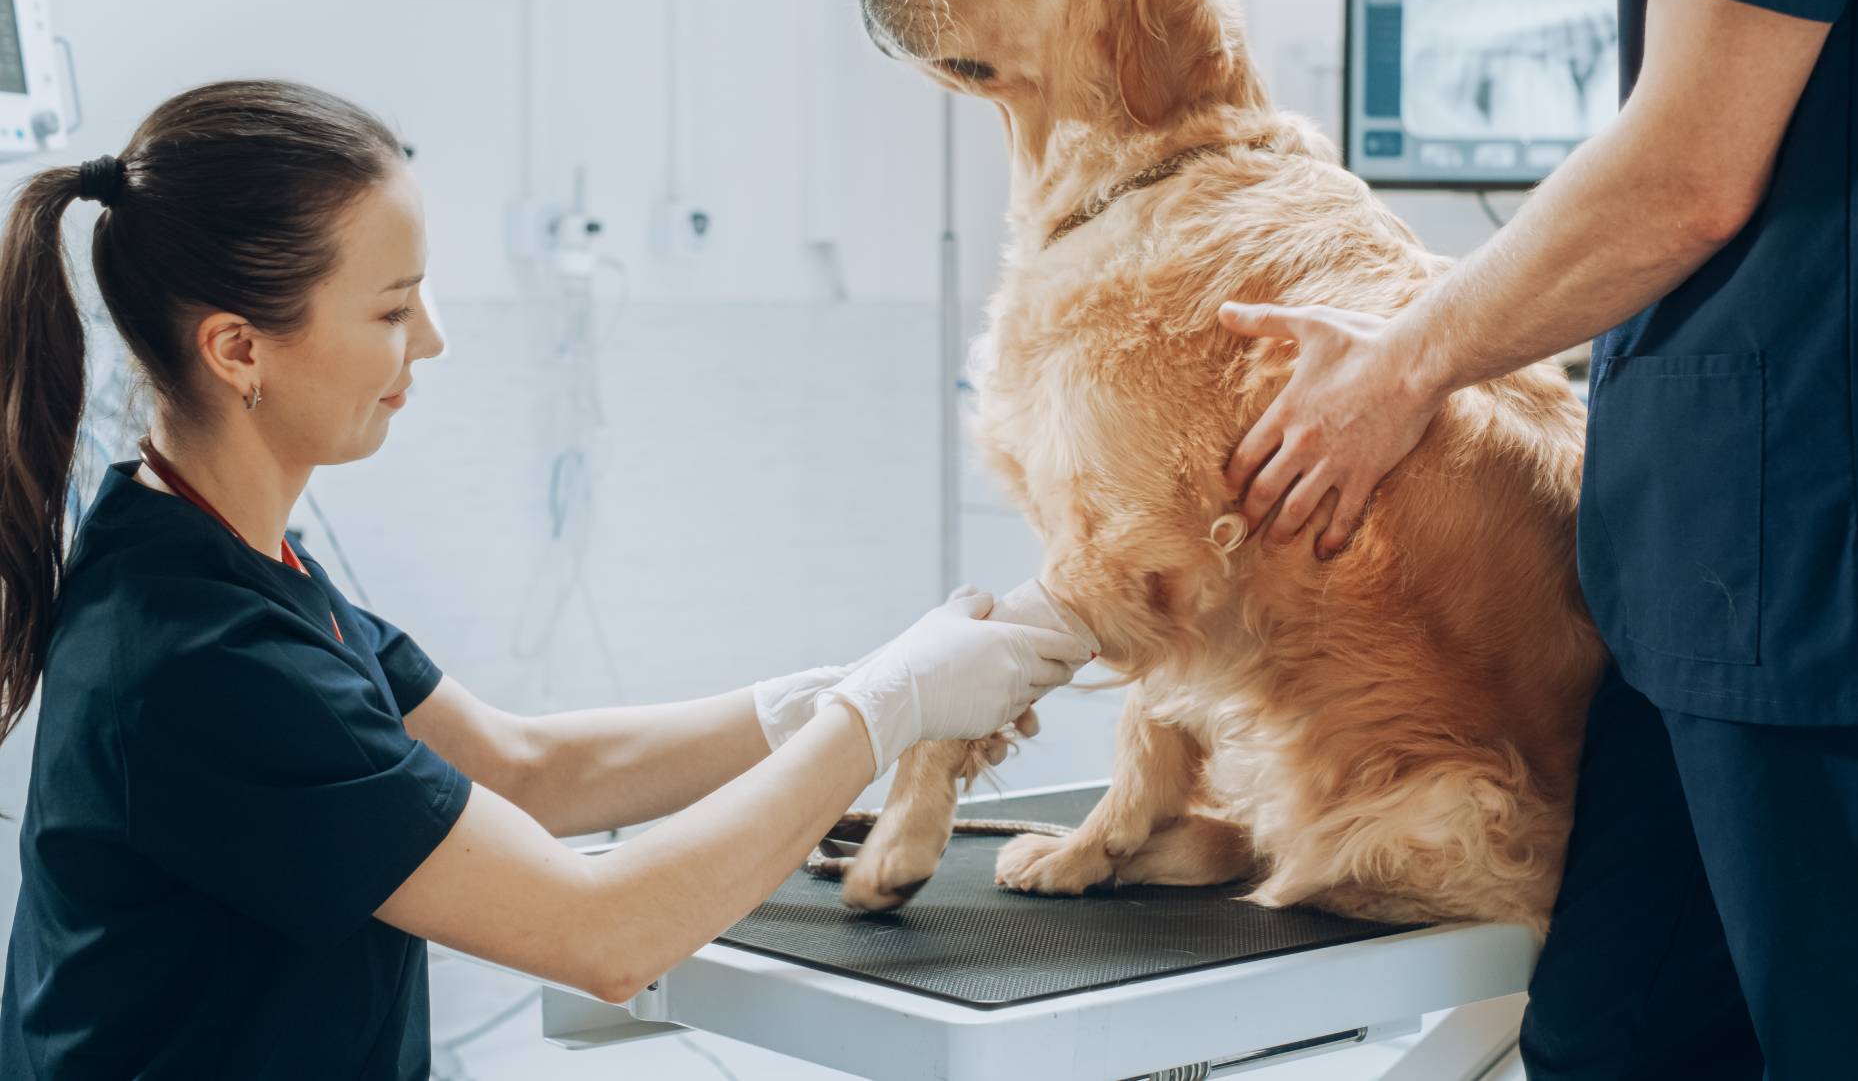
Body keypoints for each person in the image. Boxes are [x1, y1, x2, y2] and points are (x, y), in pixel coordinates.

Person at [0, 79, 1097, 1079]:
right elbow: (601, 934)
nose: (429, 340)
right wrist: (885, 706)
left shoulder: (209, 550)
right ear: (239, 350)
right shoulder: (200, 657)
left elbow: (522, 769)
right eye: (390, 310)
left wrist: (835, 693)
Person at [1215, 0, 1858, 1076]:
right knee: (1614, 1034)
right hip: (1736, 553)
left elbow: (1687, 170)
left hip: (1822, 549)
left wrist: (1401, 367)